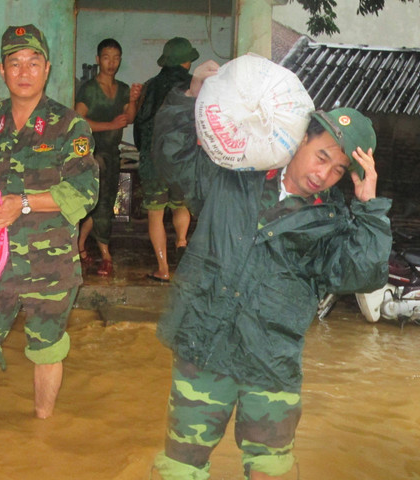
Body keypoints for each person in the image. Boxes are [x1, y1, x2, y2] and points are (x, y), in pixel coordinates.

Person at [150, 61, 392, 479]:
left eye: (339, 171)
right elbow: (172, 154)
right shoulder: (233, 175)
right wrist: (190, 94)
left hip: (271, 363)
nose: (324, 174)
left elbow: (365, 273)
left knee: (270, 470)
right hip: (204, 344)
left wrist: (369, 207)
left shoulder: (332, 225)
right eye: (322, 156)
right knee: (179, 467)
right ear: (300, 140)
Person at [0, 24, 99, 428]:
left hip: (50, 265)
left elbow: (84, 192)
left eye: (33, 62)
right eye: (15, 63)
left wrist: (22, 203)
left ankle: (43, 434)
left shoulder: (69, 126)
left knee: (47, 350)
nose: (24, 71)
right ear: (2, 70)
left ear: (46, 69)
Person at [133, 37, 198, 282]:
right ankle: (181, 241)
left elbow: (140, 123)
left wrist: (144, 152)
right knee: (180, 204)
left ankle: (163, 268)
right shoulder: (193, 85)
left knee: (156, 214)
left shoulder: (150, 85)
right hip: (180, 161)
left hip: (152, 159)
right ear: (187, 61)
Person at [74, 39, 142, 276]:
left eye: (115, 58)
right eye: (106, 57)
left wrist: (133, 100)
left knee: (104, 203)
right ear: (97, 59)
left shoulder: (122, 88)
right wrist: (108, 125)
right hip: (93, 156)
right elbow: (78, 122)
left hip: (113, 154)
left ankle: (80, 245)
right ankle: (106, 256)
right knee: (102, 205)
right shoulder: (89, 89)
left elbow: (129, 118)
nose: (111, 63)